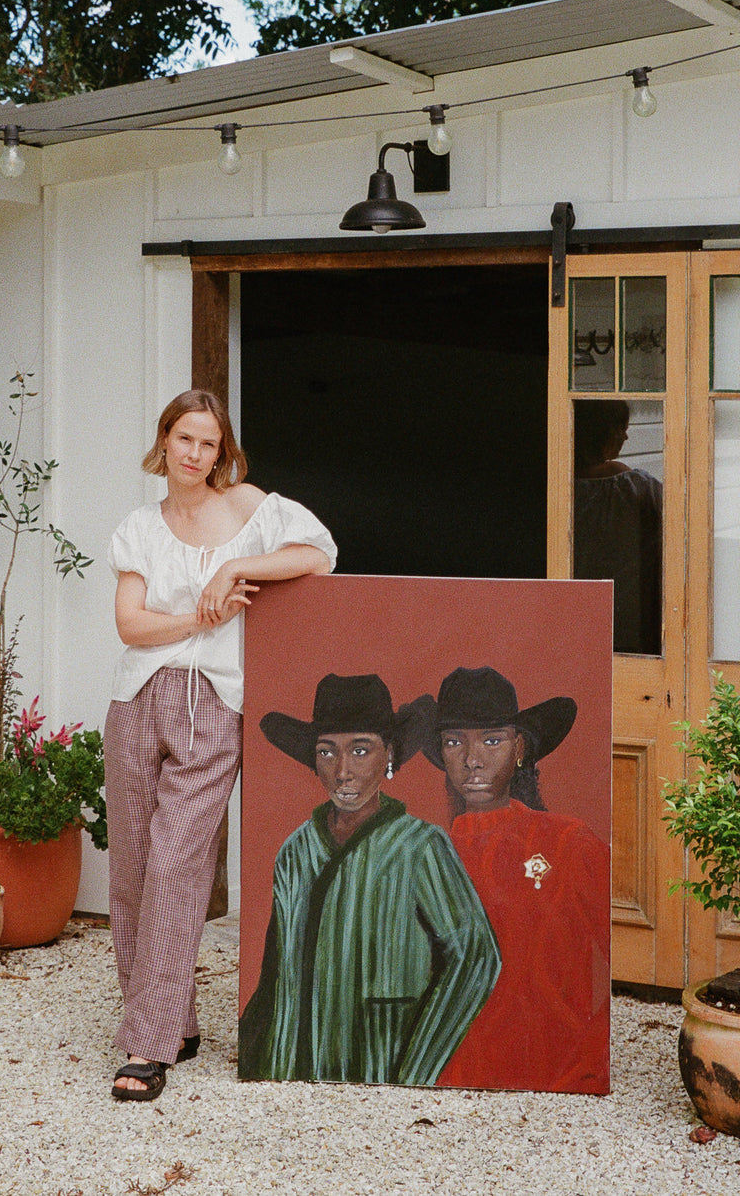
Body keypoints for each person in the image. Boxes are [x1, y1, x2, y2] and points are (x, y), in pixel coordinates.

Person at [105, 389, 336, 1102]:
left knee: (178, 864)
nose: (194, 453)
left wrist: (236, 571)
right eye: (183, 438)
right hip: (137, 702)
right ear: (165, 440)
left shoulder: (248, 508)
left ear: (220, 451)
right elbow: (129, 626)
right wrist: (195, 616)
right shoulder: (139, 527)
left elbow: (319, 552)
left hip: (216, 706)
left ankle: (146, 1050)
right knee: (135, 870)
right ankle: (172, 1020)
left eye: (208, 442)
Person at [238, 672, 501, 1086]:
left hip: (383, 1064)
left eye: (360, 751)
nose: (342, 771)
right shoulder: (295, 852)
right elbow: (275, 973)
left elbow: (476, 956)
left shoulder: (420, 846)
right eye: (327, 753)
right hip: (290, 1067)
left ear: (389, 755)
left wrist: (418, 1069)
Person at [424, 666, 610, 1093]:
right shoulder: (428, 857)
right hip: (451, 1079)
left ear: (520, 747)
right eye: (455, 742)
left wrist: (587, 1055)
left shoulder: (567, 842)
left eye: (492, 740)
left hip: (559, 1075)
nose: (472, 759)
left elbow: (617, 953)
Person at [573, 398, 663, 655]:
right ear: (602, 431)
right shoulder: (633, 487)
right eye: (621, 427)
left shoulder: (559, 484)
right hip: (632, 617)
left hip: (580, 616)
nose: (626, 436)